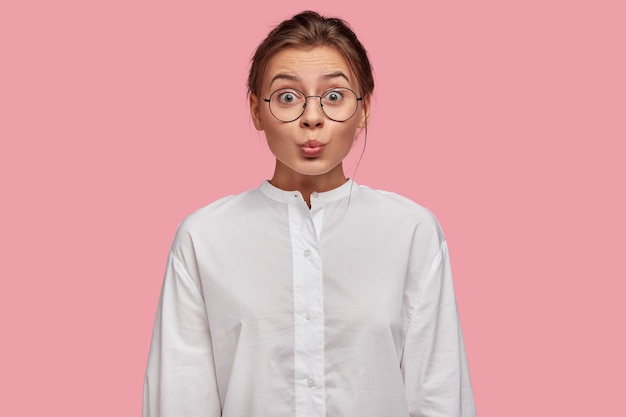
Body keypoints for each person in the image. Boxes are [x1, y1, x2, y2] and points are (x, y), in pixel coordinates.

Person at [143, 10, 476, 417]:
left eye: (334, 96)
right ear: (255, 110)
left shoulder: (411, 232)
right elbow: (179, 399)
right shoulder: (204, 238)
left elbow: (438, 397)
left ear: (365, 108)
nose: (312, 118)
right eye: (287, 97)